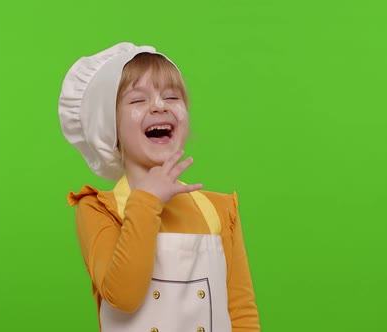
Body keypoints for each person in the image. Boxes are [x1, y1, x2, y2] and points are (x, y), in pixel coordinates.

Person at [58, 42, 260, 332]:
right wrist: (146, 202)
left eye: (172, 96)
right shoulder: (98, 209)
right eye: (138, 100)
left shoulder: (220, 210)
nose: (159, 105)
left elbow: (241, 313)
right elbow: (123, 297)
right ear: (109, 129)